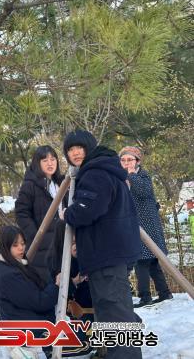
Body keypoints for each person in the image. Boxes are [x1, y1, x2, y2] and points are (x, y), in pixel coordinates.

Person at [63, 130, 142, 359]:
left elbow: (88, 210)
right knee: (112, 314)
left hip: (107, 255)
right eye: (70, 149)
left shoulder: (95, 173)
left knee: (115, 316)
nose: (75, 153)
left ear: (89, 148)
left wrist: (67, 214)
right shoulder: (106, 169)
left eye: (79, 147)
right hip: (112, 252)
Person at [0, 225, 58, 359]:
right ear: (5, 246)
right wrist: (56, 286)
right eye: (15, 245)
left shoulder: (15, 264)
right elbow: (40, 302)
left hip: (24, 321)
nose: (21, 248)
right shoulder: (8, 275)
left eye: (22, 243)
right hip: (22, 328)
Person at [119, 146, 172, 307]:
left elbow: (143, 191)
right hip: (134, 224)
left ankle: (145, 296)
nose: (126, 163)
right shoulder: (121, 177)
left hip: (147, 224)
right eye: (123, 160)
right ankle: (164, 292)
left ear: (137, 161)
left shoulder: (142, 175)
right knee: (151, 260)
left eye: (130, 159)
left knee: (142, 260)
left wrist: (132, 175)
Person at [15, 145, 66, 282]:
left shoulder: (62, 183)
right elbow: (21, 212)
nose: (50, 163)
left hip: (63, 243)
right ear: (37, 163)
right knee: (46, 284)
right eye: (45, 160)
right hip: (41, 248)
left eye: (53, 159)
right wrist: (36, 236)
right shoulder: (30, 185)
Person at [49, 221, 94, 358]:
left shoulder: (86, 255)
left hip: (91, 309)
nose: (76, 244)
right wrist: (74, 281)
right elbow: (58, 294)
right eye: (72, 241)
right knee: (83, 345)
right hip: (71, 314)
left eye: (77, 239)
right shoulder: (55, 260)